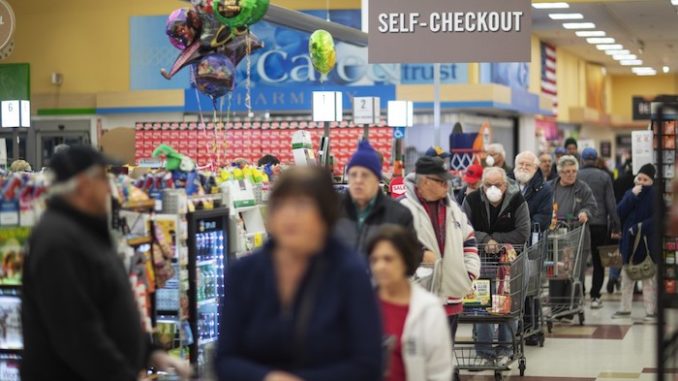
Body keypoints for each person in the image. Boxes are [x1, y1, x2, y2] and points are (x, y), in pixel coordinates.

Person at [22, 145, 190, 381]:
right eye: (103, 178)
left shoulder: (86, 230)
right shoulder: (57, 242)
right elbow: (77, 334)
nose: (110, 187)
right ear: (83, 185)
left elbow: (108, 307)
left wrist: (150, 354)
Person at [216, 166, 383, 381]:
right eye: (280, 205)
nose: (289, 215)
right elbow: (225, 360)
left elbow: (368, 365)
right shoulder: (244, 273)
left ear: (326, 215)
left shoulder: (349, 273)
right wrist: (268, 378)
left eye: (301, 205)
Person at [400, 156, 480, 342]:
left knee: (444, 355)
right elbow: (395, 248)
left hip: (452, 296)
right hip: (419, 299)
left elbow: (469, 240)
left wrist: (468, 272)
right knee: (418, 357)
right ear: (425, 181)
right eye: (441, 181)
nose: (447, 186)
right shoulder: (403, 209)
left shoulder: (454, 209)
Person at [462, 167, 530, 366]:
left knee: (507, 309)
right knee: (480, 308)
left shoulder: (517, 200)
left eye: (497, 185)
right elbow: (464, 228)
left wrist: (496, 241)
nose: (493, 189)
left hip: (509, 266)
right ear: (482, 185)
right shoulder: (472, 200)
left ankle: (505, 349)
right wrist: (485, 241)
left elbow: (523, 232)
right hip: (480, 263)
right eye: (488, 185)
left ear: (506, 184)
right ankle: (484, 352)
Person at [368, 225, 453, 381]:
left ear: (405, 261)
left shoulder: (429, 310)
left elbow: (439, 372)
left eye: (388, 259)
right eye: (375, 260)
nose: (380, 266)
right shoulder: (361, 304)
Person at [334, 140, 414, 256]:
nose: (358, 180)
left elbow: (410, 257)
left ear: (377, 178)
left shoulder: (400, 214)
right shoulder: (333, 210)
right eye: (353, 174)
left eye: (365, 175)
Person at [612, 164, 658, 321]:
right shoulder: (629, 193)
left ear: (651, 181)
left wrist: (641, 227)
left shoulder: (654, 196)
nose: (642, 182)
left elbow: (658, 218)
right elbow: (619, 212)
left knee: (648, 277)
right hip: (628, 243)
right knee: (627, 277)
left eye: (645, 179)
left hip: (646, 244)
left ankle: (651, 311)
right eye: (639, 178)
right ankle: (625, 308)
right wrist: (631, 195)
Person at [578, 148, 621, 309]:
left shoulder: (576, 176)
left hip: (580, 223)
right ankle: (595, 296)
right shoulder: (604, 176)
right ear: (596, 159)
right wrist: (616, 224)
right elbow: (611, 202)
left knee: (579, 261)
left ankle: (579, 293)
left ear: (582, 159)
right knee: (598, 261)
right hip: (600, 224)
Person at [550, 155, 598, 298]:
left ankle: (571, 308)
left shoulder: (582, 188)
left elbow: (592, 206)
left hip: (577, 237)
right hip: (556, 238)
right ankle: (557, 307)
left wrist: (585, 213)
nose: (570, 174)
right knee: (557, 273)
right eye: (566, 171)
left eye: (573, 171)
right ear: (559, 172)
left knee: (574, 274)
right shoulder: (550, 187)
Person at [514, 151, 554, 232]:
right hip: (506, 238)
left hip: (532, 239)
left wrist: (520, 229)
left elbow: (543, 217)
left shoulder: (545, 189)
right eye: (521, 163)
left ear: (535, 168)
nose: (523, 167)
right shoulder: (506, 184)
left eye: (528, 165)